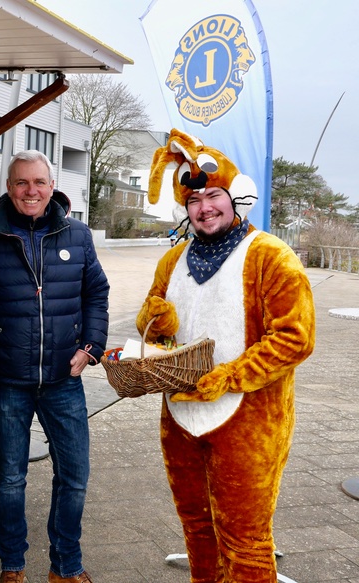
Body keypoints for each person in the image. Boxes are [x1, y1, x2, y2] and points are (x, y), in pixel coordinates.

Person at [137, 129, 316, 582]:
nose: (203, 207)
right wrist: (152, 323)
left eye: (213, 195)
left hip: (247, 419)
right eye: (193, 200)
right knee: (197, 529)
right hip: (179, 418)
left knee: (245, 537)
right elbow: (150, 330)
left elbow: (295, 338)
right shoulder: (172, 260)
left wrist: (230, 376)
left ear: (235, 197)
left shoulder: (270, 256)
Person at [0, 150, 110, 583]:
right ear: (9, 188)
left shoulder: (78, 236)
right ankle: (12, 564)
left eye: (39, 182)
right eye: (21, 183)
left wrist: (91, 346)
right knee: (10, 480)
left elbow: (97, 295)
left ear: (52, 186)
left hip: (63, 380)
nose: (31, 191)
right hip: (9, 380)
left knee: (75, 477)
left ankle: (65, 565)